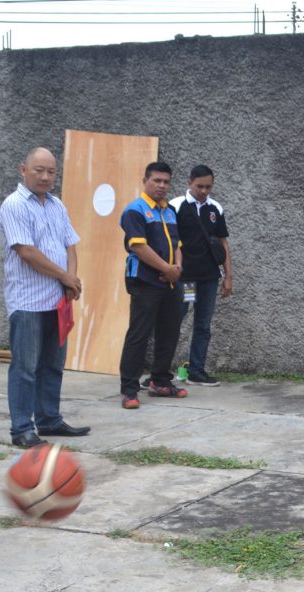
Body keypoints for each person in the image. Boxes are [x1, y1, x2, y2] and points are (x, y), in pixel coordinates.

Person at [0, 148, 91, 448]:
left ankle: (49, 419)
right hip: (27, 302)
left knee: (52, 364)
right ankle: (21, 429)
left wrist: (70, 279)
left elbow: (70, 245)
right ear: (23, 169)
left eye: (51, 171)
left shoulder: (56, 205)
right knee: (25, 368)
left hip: (56, 301)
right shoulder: (14, 205)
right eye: (39, 170)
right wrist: (64, 276)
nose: (46, 177)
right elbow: (26, 251)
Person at [118, 161, 187, 409]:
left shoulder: (169, 211)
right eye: (157, 180)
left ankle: (160, 381)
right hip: (145, 281)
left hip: (171, 283)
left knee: (169, 332)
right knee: (139, 334)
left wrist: (176, 268)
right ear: (145, 181)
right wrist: (166, 269)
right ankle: (129, 389)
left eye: (166, 181)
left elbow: (178, 244)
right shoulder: (135, 210)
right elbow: (138, 246)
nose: (162, 185)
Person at [169, 165, 233, 387]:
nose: (204, 191)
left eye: (208, 186)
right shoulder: (176, 206)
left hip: (208, 279)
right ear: (189, 183)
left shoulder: (215, 208)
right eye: (200, 186)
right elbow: (169, 240)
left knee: (203, 324)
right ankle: (161, 371)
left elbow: (223, 243)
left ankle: (197, 371)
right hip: (186, 280)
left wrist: (228, 276)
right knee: (177, 319)